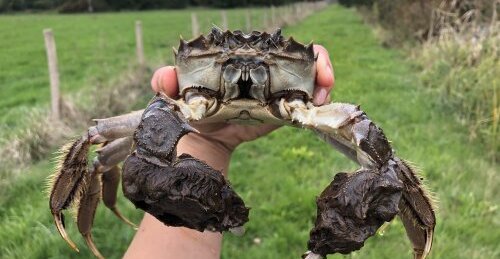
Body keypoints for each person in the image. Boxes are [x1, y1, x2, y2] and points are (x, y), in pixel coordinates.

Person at [123, 45, 335, 259]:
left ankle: (327, 242)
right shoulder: (174, 111)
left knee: (369, 159)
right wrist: (202, 141)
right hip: (198, 119)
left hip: (290, 101)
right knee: (127, 155)